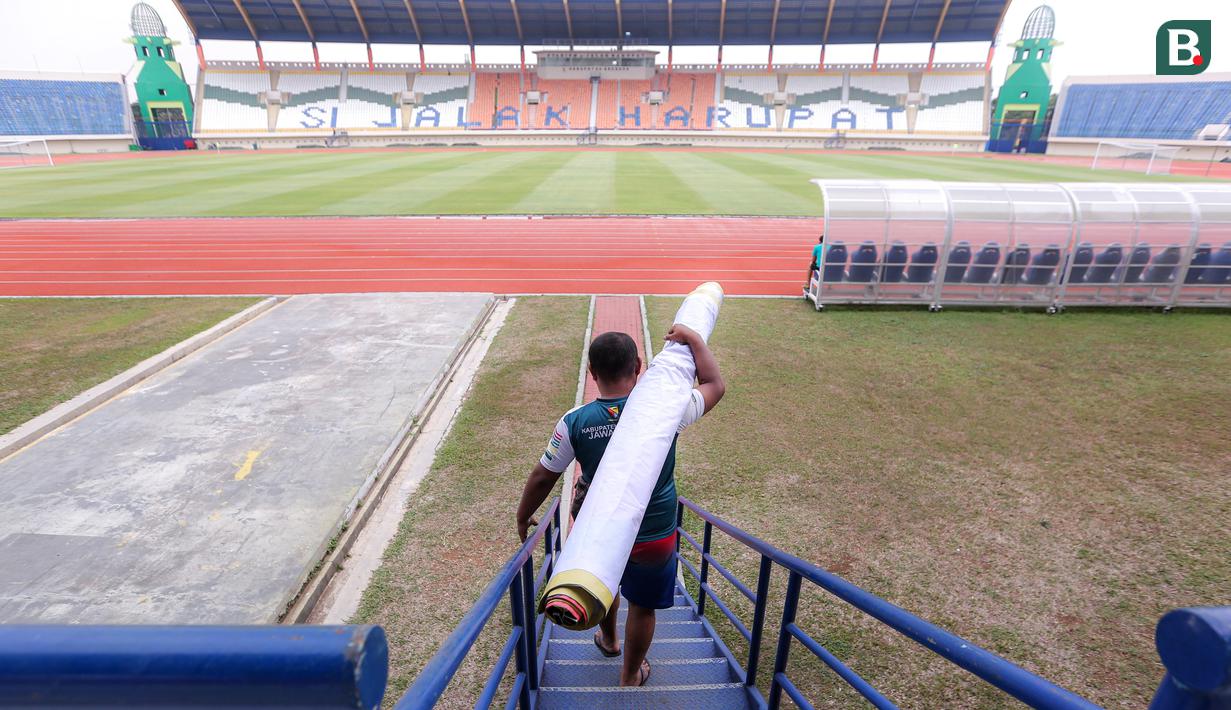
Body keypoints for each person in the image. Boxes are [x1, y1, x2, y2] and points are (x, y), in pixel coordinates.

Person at [516, 327, 725, 687]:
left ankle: (609, 639)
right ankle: (630, 675)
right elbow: (715, 386)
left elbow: (542, 476)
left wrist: (522, 516)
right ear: (639, 367)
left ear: (592, 373)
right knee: (642, 606)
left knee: (602, 577)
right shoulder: (665, 410)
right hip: (654, 530)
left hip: (598, 530)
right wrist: (694, 339)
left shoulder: (575, 421)